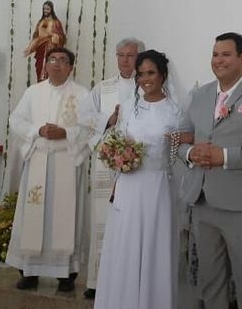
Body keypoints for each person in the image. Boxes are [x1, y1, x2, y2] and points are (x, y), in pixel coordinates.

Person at [178, 32, 242, 309]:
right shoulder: (200, 95)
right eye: (215, 54)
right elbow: (181, 138)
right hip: (203, 203)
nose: (218, 60)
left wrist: (223, 156)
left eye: (226, 54)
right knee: (210, 282)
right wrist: (190, 153)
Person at [94, 49, 187, 308]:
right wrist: (117, 156)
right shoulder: (127, 107)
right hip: (128, 186)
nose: (145, 79)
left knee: (154, 249)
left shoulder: (175, 112)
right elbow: (115, 140)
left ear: (163, 75)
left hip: (157, 187)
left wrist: (179, 140)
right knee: (125, 246)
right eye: (140, 74)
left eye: (151, 73)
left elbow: (184, 145)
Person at [5, 47, 91, 292]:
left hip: (66, 160)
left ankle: (66, 274)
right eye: (52, 59)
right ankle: (29, 272)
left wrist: (66, 132)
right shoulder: (34, 92)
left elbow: (91, 127)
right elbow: (16, 120)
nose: (56, 64)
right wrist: (38, 131)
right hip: (39, 162)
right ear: (45, 65)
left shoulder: (82, 94)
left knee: (66, 216)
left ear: (71, 68)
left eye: (63, 61)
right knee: (32, 216)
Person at [76, 37, 145, 299]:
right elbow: (84, 118)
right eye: (121, 55)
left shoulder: (148, 86)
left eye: (130, 55)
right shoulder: (103, 88)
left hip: (138, 164)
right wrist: (109, 119)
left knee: (131, 223)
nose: (125, 60)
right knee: (102, 219)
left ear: (140, 56)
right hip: (108, 162)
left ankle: (130, 279)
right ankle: (97, 280)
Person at [23, 0, 67, 82]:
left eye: (47, 9)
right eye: (44, 9)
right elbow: (36, 36)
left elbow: (62, 38)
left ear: (51, 10)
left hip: (51, 50)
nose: (45, 11)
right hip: (40, 50)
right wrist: (30, 47)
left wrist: (56, 37)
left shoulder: (56, 23)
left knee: (50, 70)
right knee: (39, 69)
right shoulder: (40, 22)